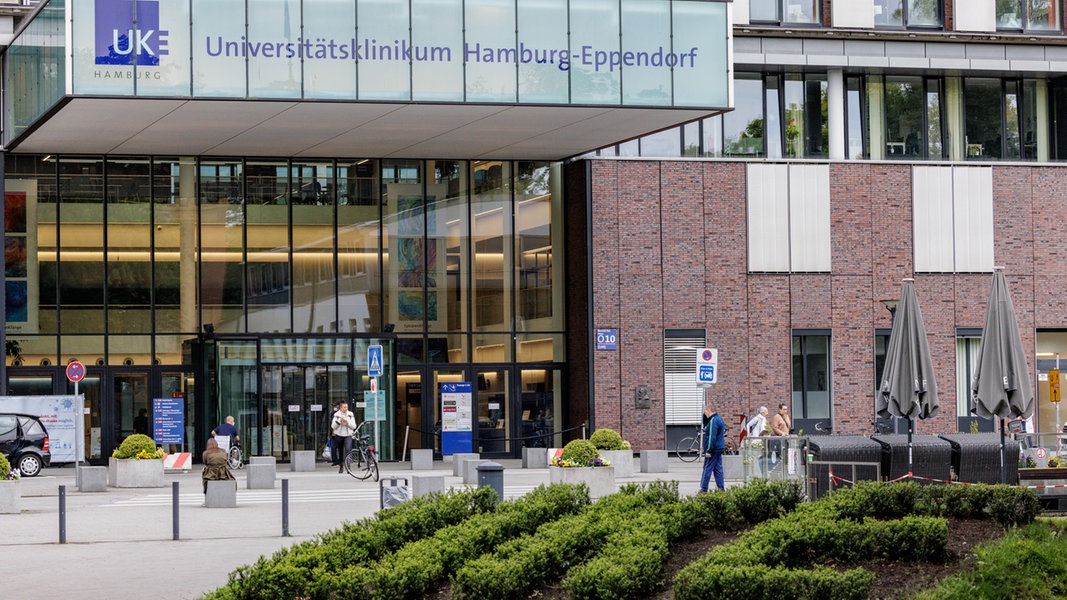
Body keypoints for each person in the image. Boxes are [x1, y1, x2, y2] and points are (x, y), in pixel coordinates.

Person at [699, 401, 726, 492]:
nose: (704, 414)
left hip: (713, 449)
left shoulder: (713, 421)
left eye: (705, 412)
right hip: (719, 447)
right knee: (718, 469)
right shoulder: (718, 418)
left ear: (708, 410)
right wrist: (704, 416)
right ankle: (721, 488)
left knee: (707, 468)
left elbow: (711, 437)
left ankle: (704, 488)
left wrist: (708, 450)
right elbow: (705, 423)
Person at [331, 402, 357, 474]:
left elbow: (354, 426)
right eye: (344, 407)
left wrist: (347, 423)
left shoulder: (350, 415)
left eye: (347, 407)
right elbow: (333, 426)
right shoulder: (336, 415)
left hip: (348, 435)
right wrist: (339, 421)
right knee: (340, 450)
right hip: (339, 435)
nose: (346, 408)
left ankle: (348, 466)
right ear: (341, 408)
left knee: (348, 449)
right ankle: (341, 466)